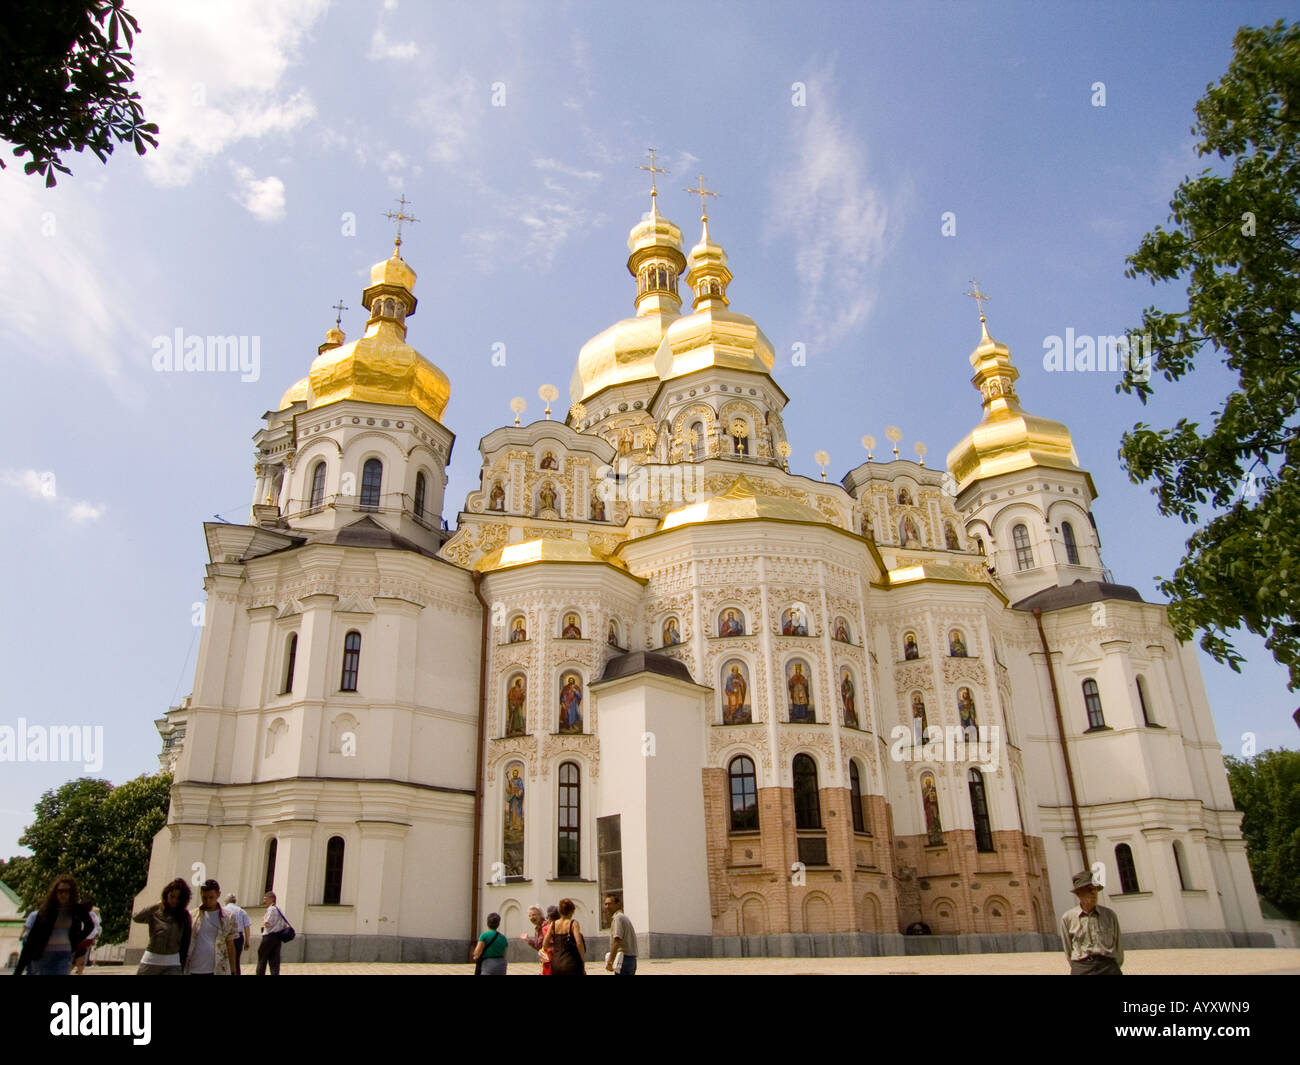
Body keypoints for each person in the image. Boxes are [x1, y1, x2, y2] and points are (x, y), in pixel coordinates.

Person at [15, 875, 93, 976]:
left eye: (67, 891)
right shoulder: (46, 911)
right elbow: (32, 939)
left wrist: (75, 940)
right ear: (55, 892)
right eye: (60, 891)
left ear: (72, 892)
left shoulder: (75, 910)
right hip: (42, 955)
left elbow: (89, 926)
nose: (63, 894)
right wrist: (18, 970)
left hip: (63, 955)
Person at [1060, 870, 1123, 974]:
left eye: (1095, 889)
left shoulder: (1109, 915)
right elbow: (1068, 949)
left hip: (1108, 966)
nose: (1094, 893)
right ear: (1079, 894)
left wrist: (1113, 967)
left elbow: (1118, 945)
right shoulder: (1068, 918)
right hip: (1082, 967)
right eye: (1089, 889)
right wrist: (1079, 967)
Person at [133, 878, 192, 975]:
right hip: (151, 961)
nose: (174, 900)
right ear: (166, 895)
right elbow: (136, 918)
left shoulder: (184, 916)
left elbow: (185, 942)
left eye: (178, 898)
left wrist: (182, 965)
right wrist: (155, 906)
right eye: (172, 896)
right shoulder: (155, 912)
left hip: (172, 963)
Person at [187, 879, 240, 976]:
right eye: (204, 898)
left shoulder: (228, 917)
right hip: (193, 967)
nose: (208, 901)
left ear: (218, 894)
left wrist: (233, 969)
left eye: (211, 897)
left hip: (217, 968)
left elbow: (230, 945)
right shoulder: (192, 915)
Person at [542, 897, 585, 976]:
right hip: (571, 962)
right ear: (572, 911)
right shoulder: (573, 924)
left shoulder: (553, 924)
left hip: (556, 963)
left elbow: (545, 944)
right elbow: (579, 943)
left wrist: (556, 944)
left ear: (560, 911)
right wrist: (582, 961)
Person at [603, 895, 638, 976]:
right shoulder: (623, 917)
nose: (607, 907)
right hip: (630, 959)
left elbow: (617, 940)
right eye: (605, 904)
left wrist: (610, 961)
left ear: (618, 904)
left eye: (609, 904)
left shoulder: (618, 918)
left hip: (623, 959)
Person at [258, 892, 290, 976]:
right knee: (274, 960)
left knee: (262, 957)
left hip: (269, 936)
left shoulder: (271, 909)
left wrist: (264, 920)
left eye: (265, 899)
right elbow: (283, 924)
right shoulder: (279, 909)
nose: (264, 901)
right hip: (277, 937)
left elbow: (267, 923)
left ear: (272, 899)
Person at [73, 896, 101, 974]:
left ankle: (76, 970)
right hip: (87, 938)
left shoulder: (78, 912)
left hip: (81, 937)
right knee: (80, 955)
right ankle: (79, 972)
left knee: (76, 956)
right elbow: (96, 926)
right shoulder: (93, 914)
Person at [224, 893, 252, 969]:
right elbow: (247, 927)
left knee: (225, 960)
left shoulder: (223, 910)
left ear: (226, 901)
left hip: (225, 937)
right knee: (236, 960)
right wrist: (247, 941)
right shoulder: (242, 911)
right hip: (239, 937)